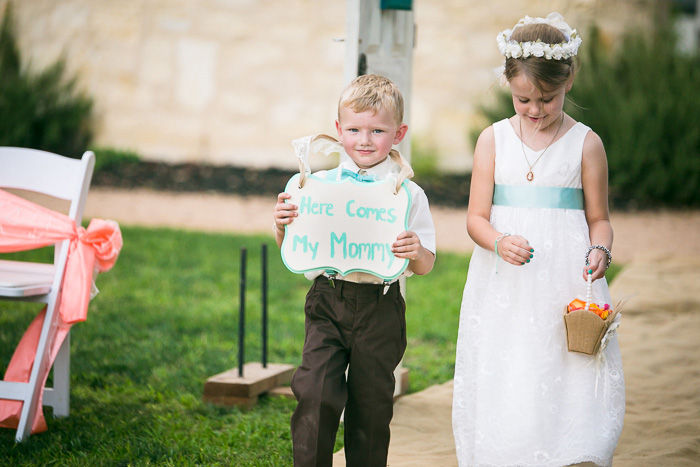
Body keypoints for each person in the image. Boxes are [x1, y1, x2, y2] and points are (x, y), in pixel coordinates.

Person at [452, 13, 625, 467]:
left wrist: (600, 249)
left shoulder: (587, 144)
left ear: (568, 81)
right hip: (504, 280)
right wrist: (497, 240)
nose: (534, 109)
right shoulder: (493, 140)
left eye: (546, 99)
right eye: (523, 98)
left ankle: (568, 450)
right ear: (509, 85)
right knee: (510, 361)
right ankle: (505, 450)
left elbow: (599, 219)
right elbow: (475, 217)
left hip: (565, 276)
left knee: (560, 362)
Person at [274, 73, 436, 467]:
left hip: (380, 308)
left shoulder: (406, 193)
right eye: (354, 129)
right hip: (329, 300)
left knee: (371, 406)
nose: (364, 140)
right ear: (338, 130)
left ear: (398, 134)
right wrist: (282, 224)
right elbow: (296, 248)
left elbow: (426, 263)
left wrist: (414, 250)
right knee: (315, 392)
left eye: (377, 130)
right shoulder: (315, 186)